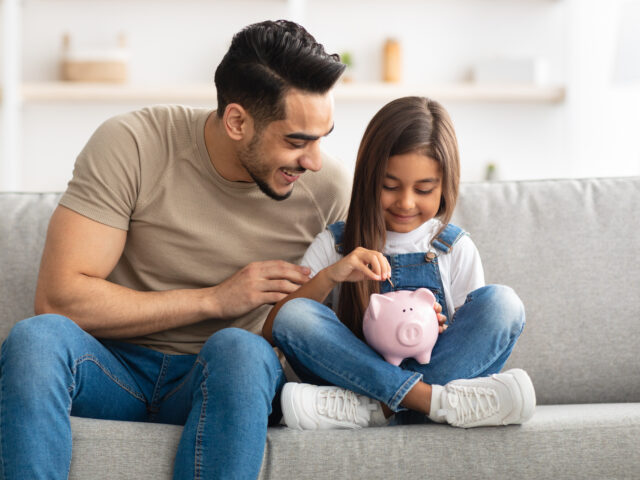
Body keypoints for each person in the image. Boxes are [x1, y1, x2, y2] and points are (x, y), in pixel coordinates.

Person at [0, 20, 351, 479]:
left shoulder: (328, 190)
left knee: (241, 351)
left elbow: (345, 319)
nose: (314, 160)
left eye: (322, 136)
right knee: (35, 340)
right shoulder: (134, 145)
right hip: (112, 369)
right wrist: (215, 299)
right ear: (237, 121)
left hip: (222, 378)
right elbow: (59, 298)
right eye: (296, 141)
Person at [263, 96, 536, 430]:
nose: (406, 202)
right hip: (353, 375)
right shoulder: (335, 244)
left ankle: (374, 409)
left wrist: (440, 326)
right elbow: (275, 329)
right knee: (296, 313)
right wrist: (331, 277)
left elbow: (469, 343)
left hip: (379, 385)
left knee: (502, 304)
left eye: (423, 189)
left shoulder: (454, 248)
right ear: (368, 180)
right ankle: (429, 403)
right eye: (389, 186)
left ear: (444, 187)